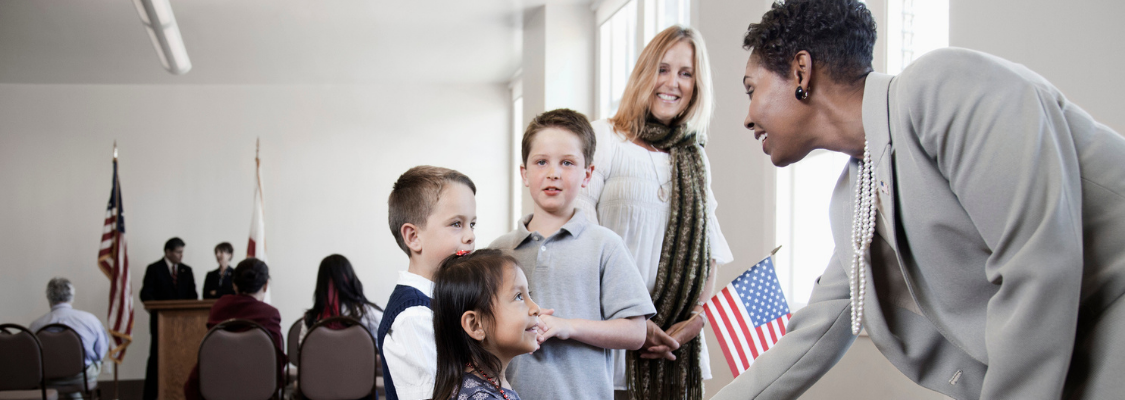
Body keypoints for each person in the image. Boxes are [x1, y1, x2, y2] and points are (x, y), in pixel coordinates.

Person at [714, 0, 1125, 399]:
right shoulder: (853, 199)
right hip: (1075, 358)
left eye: (752, 89)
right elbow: (816, 330)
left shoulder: (942, 86)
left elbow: (1038, 267)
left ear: (801, 71)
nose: (747, 117)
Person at [576, 25, 734, 399]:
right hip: (611, 341)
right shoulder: (604, 138)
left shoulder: (695, 157)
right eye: (663, 69)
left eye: (686, 73)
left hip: (675, 345)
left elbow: (710, 250)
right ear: (644, 73)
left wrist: (693, 322)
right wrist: (634, 323)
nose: (672, 83)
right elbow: (583, 234)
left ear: (697, 85)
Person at [490, 108, 656, 400]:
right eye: (541, 162)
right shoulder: (498, 251)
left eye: (567, 162)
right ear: (525, 174)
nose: (553, 173)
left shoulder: (606, 245)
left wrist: (567, 326)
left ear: (587, 175)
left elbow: (636, 333)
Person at [378, 166, 477, 400]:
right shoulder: (414, 317)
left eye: (472, 224)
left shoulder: (442, 301)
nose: (470, 236)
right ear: (414, 237)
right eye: (456, 224)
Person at [431, 249, 540, 400]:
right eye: (519, 297)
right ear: (475, 325)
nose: (536, 308)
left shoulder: (491, 383)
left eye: (530, 294)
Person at [184, 258, 285, 400]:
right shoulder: (270, 314)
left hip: (217, 388)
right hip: (258, 391)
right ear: (266, 285)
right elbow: (276, 366)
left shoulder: (219, 307)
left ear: (234, 285)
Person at [29, 277, 110, 399]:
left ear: (48, 298)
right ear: (72, 296)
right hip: (81, 377)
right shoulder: (90, 320)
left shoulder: (36, 326)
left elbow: (32, 358)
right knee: (93, 362)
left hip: (48, 378)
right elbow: (101, 352)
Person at [140, 237, 198, 400]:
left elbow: (193, 296)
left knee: (184, 356)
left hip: (184, 324)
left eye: (182, 252)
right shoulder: (154, 269)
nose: (181, 256)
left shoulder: (187, 270)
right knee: (157, 358)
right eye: (178, 252)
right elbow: (146, 294)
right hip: (161, 323)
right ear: (168, 252)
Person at [300, 254, 385, 341]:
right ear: (351, 279)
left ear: (321, 285)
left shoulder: (310, 319)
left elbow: (304, 352)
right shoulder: (370, 313)